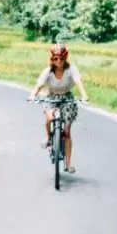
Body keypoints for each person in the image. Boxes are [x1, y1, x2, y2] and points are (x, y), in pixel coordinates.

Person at [27, 43, 88, 174]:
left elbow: (78, 82)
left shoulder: (71, 69)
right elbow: (39, 85)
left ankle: (68, 163)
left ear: (65, 58)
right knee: (49, 116)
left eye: (61, 58)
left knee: (66, 131)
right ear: (52, 59)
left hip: (67, 98)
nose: (58, 61)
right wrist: (33, 95)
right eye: (55, 58)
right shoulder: (48, 71)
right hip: (52, 97)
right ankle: (48, 137)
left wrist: (84, 95)